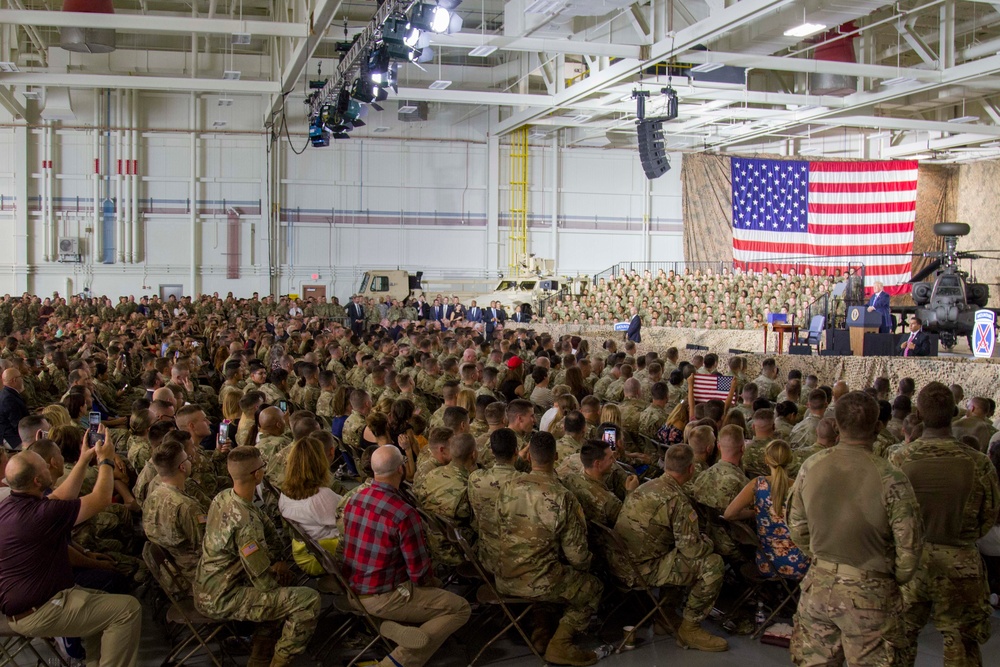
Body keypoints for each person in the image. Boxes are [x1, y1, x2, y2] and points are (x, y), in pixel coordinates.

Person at [787, 391, 923, 667]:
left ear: (836, 425)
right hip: (870, 592)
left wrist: (820, 557)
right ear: (878, 427)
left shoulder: (811, 466)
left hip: (818, 586)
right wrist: (887, 577)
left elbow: (797, 528)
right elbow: (909, 548)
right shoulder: (892, 478)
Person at [0, 429, 142, 667]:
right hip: (40, 610)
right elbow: (101, 498)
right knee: (127, 611)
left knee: (108, 606)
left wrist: (84, 459)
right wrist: (105, 460)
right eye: (44, 467)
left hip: (34, 602)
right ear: (36, 480)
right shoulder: (40, 515)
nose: (50, 467)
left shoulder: (13, 504)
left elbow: (59, 497)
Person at [893, 382, 1000, 667]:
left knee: (898, 642)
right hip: (961, 564)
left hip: (910, 563)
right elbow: (989, 515)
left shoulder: (899, 458)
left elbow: (884, 513)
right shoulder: (978, 463)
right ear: (954, 414)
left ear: (919, 412)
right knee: (962, 645)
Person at [341, 445, 471, 667]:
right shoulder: (403, 513)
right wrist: (433, 586)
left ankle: (386, 625)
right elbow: (418, 572)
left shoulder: (355, 498)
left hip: (353, 588)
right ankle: (395, 662)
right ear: (401, 469)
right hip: (384, 596)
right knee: (460, 608)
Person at [194, 446, 320, 667]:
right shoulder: (246, 523)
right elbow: (263, 582)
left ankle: (260, 657)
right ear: (257, 474)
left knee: (280, 595)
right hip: (222, 597)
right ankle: (279, 660)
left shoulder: (223, 497)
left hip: (209, 586)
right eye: (262, 466)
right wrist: (282, 579)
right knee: (306, 599)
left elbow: (267, 534)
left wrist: (278, 563)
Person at [496, 431, 603, 665]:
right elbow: (578, 557)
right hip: (541, 582)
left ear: (529, 457)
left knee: (550, 571)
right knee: (592, 588)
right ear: (555, 457)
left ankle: (542, 627)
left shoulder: (508, 487)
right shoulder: (562, 496)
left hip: (503, 576)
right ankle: (560, 644)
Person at [613, 444, 728, 652]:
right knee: (713, 565)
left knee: (673, 553)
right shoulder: (677, 500)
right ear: (691, 469)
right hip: (641, 570)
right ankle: (690, 628)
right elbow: (692, 550)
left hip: (620, 562)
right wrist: (708, 542)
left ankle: (664, 617)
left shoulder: (647, 485)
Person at [725, 439, 809, 579]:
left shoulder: (757, 484)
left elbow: (728, 514)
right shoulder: (798, 488)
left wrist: (757, 512)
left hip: (766, 563)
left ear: (766, 460)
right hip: (799, 564)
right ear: (790, 459)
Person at [142, 439, 206, 589]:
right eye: (188, 459)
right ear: (182, 467)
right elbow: (205, 548)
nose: (191, 461)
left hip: (170, 570)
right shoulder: (186, 507)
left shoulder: (151, 497)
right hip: (194, 574)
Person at [278, 436, 342, 576]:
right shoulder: (320, 497)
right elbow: (351, 521)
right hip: (323, 557)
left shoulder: (285, 492)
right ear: (320, 462)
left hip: (303, 551)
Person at [0, 367, 29, 448]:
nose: (22, 380)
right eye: (20, 377)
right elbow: (17, 424)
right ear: (14, 380)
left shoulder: (9, 393)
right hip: (11, 438)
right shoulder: (8, 398)